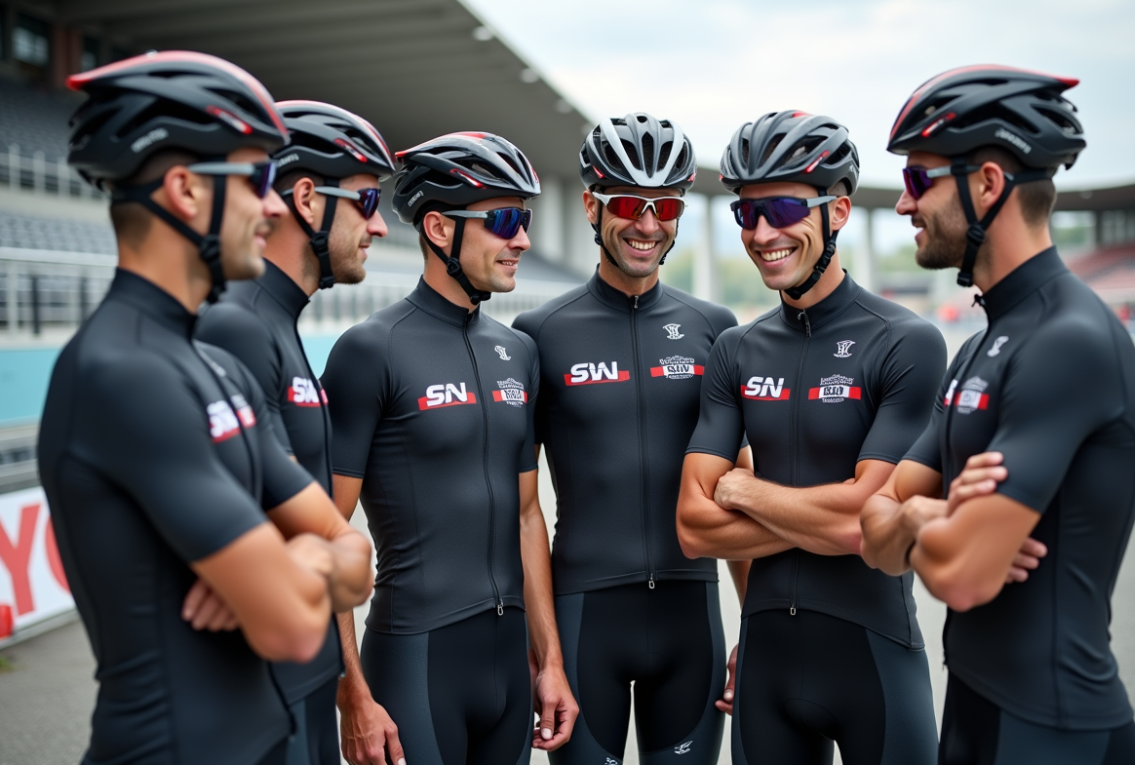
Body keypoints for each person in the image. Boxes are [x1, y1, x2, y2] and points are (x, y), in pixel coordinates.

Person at [37, 51, 373, 765]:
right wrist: (308, 561)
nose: (275, 204)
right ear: (186, 190)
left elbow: (357, 559)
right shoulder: (122, 373)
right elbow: (288, 623)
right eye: (255, 177)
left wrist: (297, 559)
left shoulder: (212, 363)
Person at [860, 65, 1135, 765]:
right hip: (976, 710)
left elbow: (963, 576)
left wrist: (917, 522)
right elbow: (871, 531)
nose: (904, 205)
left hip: (1055, 729)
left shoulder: (1067, 343)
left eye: (918, 179)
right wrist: (928, 517)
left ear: (987, 184)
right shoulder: (985, 344)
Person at [676, 111, 947, 765]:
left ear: (840, 211)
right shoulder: (736, 349)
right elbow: (693, 527)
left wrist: (743, 489)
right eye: (746, 215)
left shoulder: (906, 342)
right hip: (767, 665)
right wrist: (837, 517)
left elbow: (864, 526)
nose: (763, 233)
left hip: (875, 657)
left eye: (784, 209)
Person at [322, 131, 578, 765]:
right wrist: (350, 692)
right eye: (505, 220)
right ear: (439, 229)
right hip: (415, 662)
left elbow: (525, 515)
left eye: (525, 220)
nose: (522, 239)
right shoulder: (369, 350)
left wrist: (550, 663)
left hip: (508, 670)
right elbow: (325, 534)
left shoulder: (518, 351)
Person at [511, 113, 737, 765]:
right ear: (591, 204)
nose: (646, 223)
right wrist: (544, 655)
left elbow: (733, 492)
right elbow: (525, 511)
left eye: (664, 205)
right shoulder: (539, 333)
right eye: (629, 205)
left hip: (691, 617)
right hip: (585, 622)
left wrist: (752, 624)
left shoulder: (714, 328)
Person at [195, 99, 395, 765]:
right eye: (367, 204)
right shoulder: (238, 324)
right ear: (308, 199)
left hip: (303, 681)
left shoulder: (279, 321)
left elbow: (314, 524)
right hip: (260, 693)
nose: (381, 227)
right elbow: (271, 541)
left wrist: (350, 686)